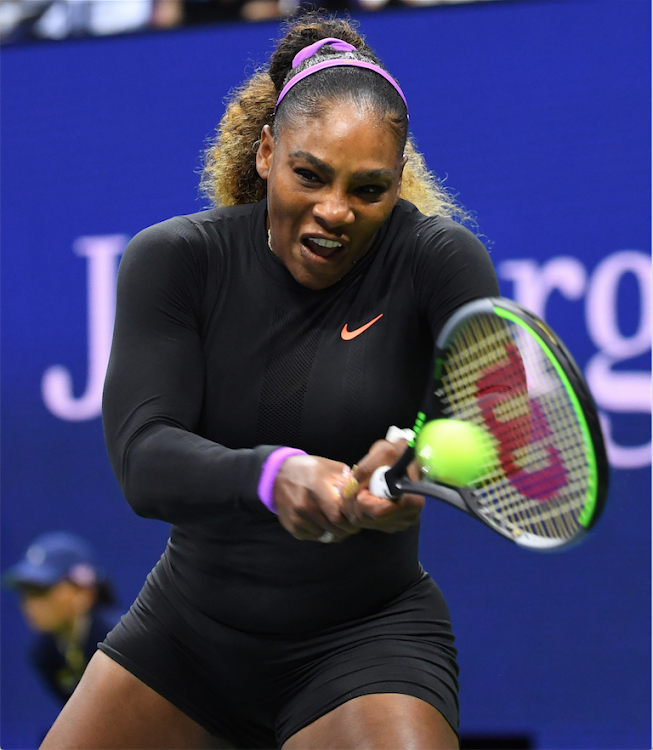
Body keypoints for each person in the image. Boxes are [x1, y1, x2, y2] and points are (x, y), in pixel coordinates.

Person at [40, 13, 500, 750]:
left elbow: (480, 426)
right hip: (183, 640)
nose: (333, 211)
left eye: (369, 189)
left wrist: (420, 464)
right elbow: (143, 459)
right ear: (264, 153)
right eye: (309, 174)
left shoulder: (439, 260)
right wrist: (273, 474)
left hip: (364, 643)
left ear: (398, 183)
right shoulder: (175, 261)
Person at [4, 531, 117, 705]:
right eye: (25, 592)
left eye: (42, 591)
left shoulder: (121, 641)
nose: (30, 604)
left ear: (84, 592)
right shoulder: (44, 654)